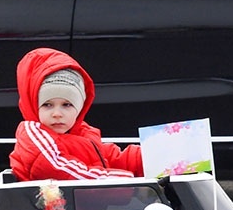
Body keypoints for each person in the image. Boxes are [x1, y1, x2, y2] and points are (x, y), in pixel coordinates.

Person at [10, 47, 143, 181]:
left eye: (66, 105)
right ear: (34, 106)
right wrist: (128, 182)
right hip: (46, 200)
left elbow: (110, 158)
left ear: (79, 108)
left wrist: (146, 157)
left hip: (83, 201)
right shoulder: (33, 136)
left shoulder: (82, 133)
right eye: (47, 105)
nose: (57, 113)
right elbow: (66, 173)